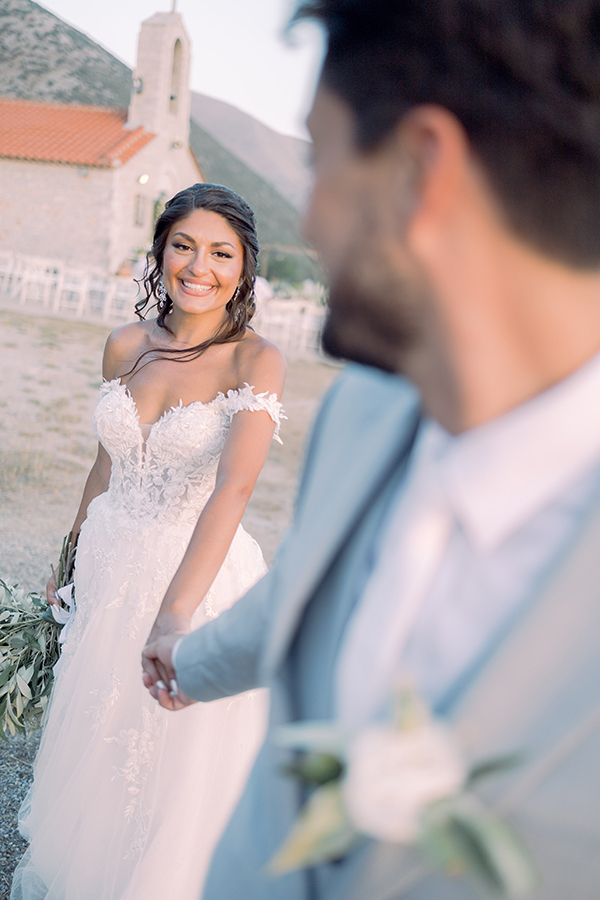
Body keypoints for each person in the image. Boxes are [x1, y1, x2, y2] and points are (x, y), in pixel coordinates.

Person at [142, 1, 600, 898]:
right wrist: (187, 663)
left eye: (318, 159)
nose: (309, 218)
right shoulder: (364, 408)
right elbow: (314, 585)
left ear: (419, 169)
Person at [11, 183, 286, 900]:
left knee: (167, 761)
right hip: (109, 563)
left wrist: (174, 615)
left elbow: (234, 489)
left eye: (221, 253)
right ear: (160, 252)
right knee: (99, 732)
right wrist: (68, 557)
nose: (200, 266)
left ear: (244, 267)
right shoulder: (125, 344)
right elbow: (105, 463)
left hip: (190, 577)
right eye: (184, 246)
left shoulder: (254, 362)